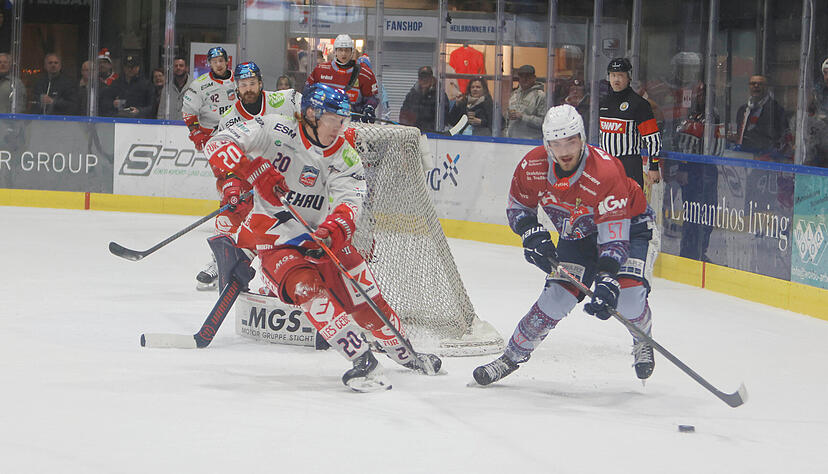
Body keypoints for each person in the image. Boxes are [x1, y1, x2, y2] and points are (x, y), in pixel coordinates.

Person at [203, 84, 442, 391]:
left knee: (366, 301)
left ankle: (405, 353)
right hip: (275, 242)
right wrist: (253, 171)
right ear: (312, 115)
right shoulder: (275, 130)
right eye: (335, 120)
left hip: (321, 238)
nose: (341, 127)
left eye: (344, 121)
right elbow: (217, 144)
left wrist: (332, 232)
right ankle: (362, 360)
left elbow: (349, 203)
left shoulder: (346, 156)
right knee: (307, 290)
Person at [473, 104, 658, 387]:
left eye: (571, 141)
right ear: (546, 144)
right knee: (556, 298)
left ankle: (642, 336)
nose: (564, 150)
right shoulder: (532, 166)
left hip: (629, 228)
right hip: (578, 235)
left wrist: (607, 277)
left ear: (583, 138)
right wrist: (532, 233)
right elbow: (518, 206)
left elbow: (614, 236)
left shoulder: (606, 171)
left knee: (629, 299)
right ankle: (511, 356)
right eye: (556, 143)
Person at [599, 57, 663, 189]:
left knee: (631, 206)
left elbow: (653, 138)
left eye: (620, 75)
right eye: (613, 75)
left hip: (629, 164)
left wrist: (654, 166)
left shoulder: (639, 104)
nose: (616, 79)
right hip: (606, 164)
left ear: (629, 77)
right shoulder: (604, 103)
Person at [305, 34, 378, 123]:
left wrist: (369, 108)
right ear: (335, 51)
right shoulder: (320, 70)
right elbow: (307, 92)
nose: (343, 54)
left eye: (347, 50)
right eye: (340, 50)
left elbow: (372, 98)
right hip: (324, 124)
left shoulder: (365, 73)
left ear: (352, 52)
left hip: (352, 124)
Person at [181, 46, 236, 151]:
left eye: (221, 60)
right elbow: (188, 112)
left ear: (227, 61)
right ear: (209, 63)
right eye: (214, 62)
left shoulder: (239, 80)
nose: (218, 64)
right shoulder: (199, 85)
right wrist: (196, 133)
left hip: (238, 134)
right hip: (211, 137)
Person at [732, 74, 789, 157]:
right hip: (744, 156)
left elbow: (783, 135)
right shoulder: (743, 109)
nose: (756, 86)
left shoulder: (776, 109)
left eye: (760, 84)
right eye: (753, 83)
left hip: (766, 159)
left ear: (766, 87)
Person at [399, 65, 449, 133]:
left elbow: (443, 118)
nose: (424, 80)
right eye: (421, 78)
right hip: (413, 132)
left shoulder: (439, 95)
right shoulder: (412, 94)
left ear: (431, 78)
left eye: (426, 78)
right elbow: (404, 112)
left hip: (432, 132)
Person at [504, 65, 546, 139]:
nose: (524, 79)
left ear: (534, 78)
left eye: (528, 76)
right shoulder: (514, 94)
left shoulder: (540, 96)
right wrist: (508, 115)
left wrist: (522, 117)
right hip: (512, 140)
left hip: (530, 142)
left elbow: (543, 122)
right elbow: (507, 119)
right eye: (521, 76)